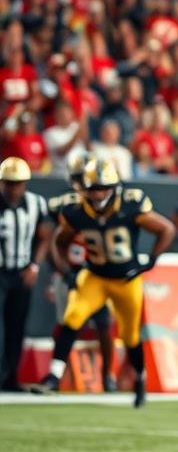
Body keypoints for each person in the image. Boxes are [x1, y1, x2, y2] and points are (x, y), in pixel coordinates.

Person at [31, 159, 175, 407]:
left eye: (103, 188)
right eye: (94, 188)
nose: (98, 194)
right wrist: (66, 271)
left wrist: (151, 261)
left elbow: (167, 229)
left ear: (114, 187)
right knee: (72, 317)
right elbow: (58, 241)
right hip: (95, 276)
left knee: (130, 335)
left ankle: (139, 379)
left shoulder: (129, 204)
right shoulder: (76, 211)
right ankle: (53, 376)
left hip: (126, 279)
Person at [46, 152, 116, 392]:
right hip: (70, 270)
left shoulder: (104, 203)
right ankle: (57, 374)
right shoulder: (64, 205)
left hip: (96, 271)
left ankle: (108, 374)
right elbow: (53, 241)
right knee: (66, 323)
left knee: (103, 324)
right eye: (79, 178)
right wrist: (61, 270)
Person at [0, 157, 50, 392]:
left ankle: (10, 378)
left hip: (21, 273)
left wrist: (34, 266)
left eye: (18, 183)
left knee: (16, 326)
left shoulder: (35, 204)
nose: (14, 189)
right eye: (9, 183)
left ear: (25, 183)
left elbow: (44, 237)